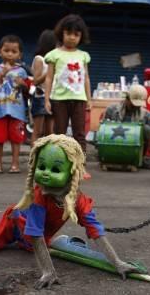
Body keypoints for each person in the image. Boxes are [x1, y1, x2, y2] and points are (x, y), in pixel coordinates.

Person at [0, 134, 145, 289]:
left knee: (30, 247)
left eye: (55, 169)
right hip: (14, 223)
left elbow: (96, 231)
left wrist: (117, 263)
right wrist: (49, 272)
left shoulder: (78, 200)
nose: (45, 173)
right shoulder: (40, 197)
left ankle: (40, 242)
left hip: (33, 238)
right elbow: (35, 235)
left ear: (72, 171)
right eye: (42, 166)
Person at [44, 14, 92, 179]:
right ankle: (59, 166)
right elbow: (48, 78)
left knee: (80, 134)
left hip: (79, 99)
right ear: (61, 33)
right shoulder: (54, 55)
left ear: (81, 36)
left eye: (76, 34)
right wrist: (47, 99)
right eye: (68, 33)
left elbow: (86, 78)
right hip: (59, 100)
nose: (72, 37)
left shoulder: (83, 56)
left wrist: (89, 99)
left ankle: (81, 168)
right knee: (60, 134)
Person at [0, 35, 30, 174]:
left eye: (14, 51)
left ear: (20, 54)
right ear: (0, 52)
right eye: (7, 50)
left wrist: (23, 83)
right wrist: (2, 74)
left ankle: (15, 164)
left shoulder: (22, 71)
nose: (10, 54)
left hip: (17, 111)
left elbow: (29, 90)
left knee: (16, 139)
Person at [103, 84, 150, 168]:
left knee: (147, 129)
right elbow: (103, 129)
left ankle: (140, 159)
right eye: (133, 104)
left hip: (135, 148)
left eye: (138, 105)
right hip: (114, 144)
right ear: (127, 98)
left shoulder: (146, 114)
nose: (135, 106)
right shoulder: (111, 110)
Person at [30, 29, 56, 146]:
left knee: (50, 133)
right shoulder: (39, 59)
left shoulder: (55, 60)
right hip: (41, 97)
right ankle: (33, 159)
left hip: (52, 97)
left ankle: (46, 159)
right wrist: (49, 72)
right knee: (38, 131)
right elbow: (35, 81)